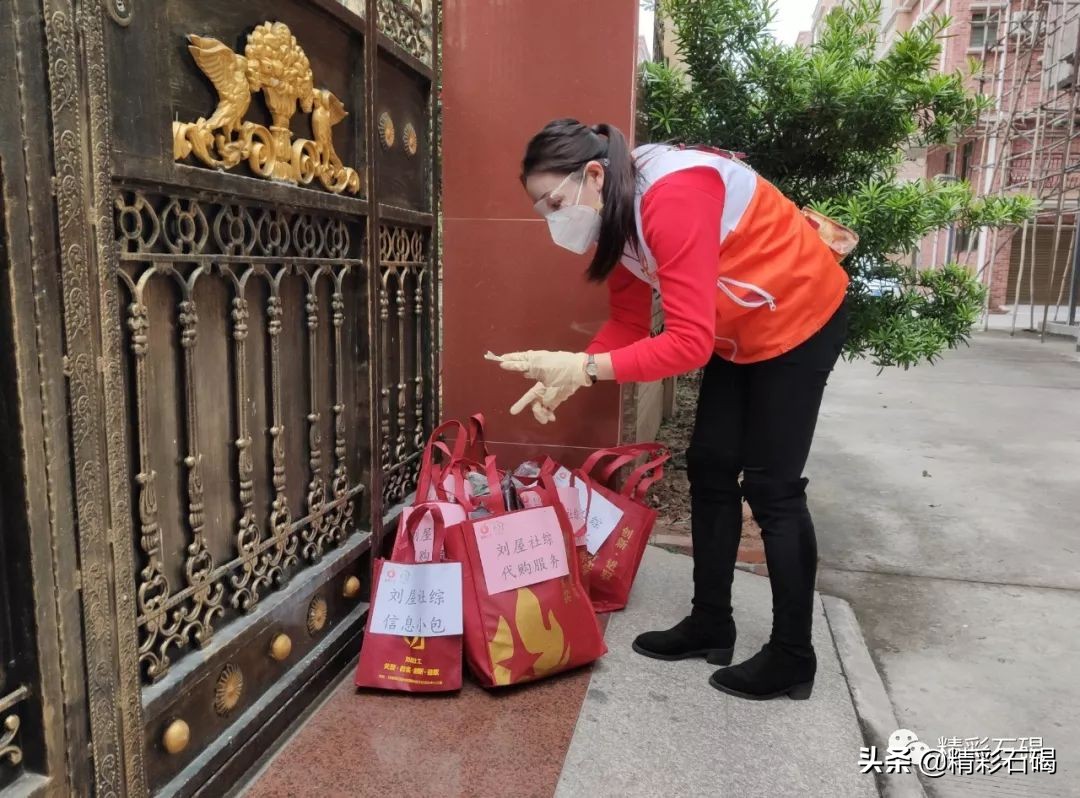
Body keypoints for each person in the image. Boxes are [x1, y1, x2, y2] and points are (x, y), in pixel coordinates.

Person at [491, 119, 851, 702]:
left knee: (773, 488)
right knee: (710, 465)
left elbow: (687, 344)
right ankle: (711, 622)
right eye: (542, 210)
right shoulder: (617, 215)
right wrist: (572, 374)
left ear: (593, 174)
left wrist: (585, 369)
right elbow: (629, 323)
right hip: (740, 328)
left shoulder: (673, 195)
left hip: (801, 316)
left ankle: (793, 656)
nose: (553, 219)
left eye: (555, 202)